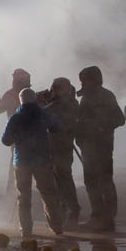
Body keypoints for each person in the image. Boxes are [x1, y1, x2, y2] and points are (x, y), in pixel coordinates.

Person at [0, 88, 65, 238]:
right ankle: (57, 227)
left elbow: (5, 140)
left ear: (20, 100)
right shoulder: (43, 114)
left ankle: (26, 229)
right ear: (34, 99)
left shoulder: (15, 118)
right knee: (48, 194)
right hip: (42, 160)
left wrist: (17, 137)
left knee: (23, 196)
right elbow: (59, 128)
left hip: (21, 161)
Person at [74, 65, 125, 231]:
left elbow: (119, 119)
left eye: (85, 80)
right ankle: (97, 216)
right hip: (88, 146)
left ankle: (108, 218)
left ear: (94, 80)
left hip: (102, 146)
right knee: (91, 182)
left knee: (104, 181)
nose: (82, 84)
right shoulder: (86, 98)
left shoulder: (105, 96)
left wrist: (99, 127)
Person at [42, 76, 82, 229]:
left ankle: (72, 211)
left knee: (62, 180)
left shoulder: (61, 105)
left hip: (59, 147)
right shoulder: (71, 103)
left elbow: (41, 114)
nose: (51, 91)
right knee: (61, 180)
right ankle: (67, 211)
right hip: (60, 146)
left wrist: (41, 102)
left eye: (53, 89)